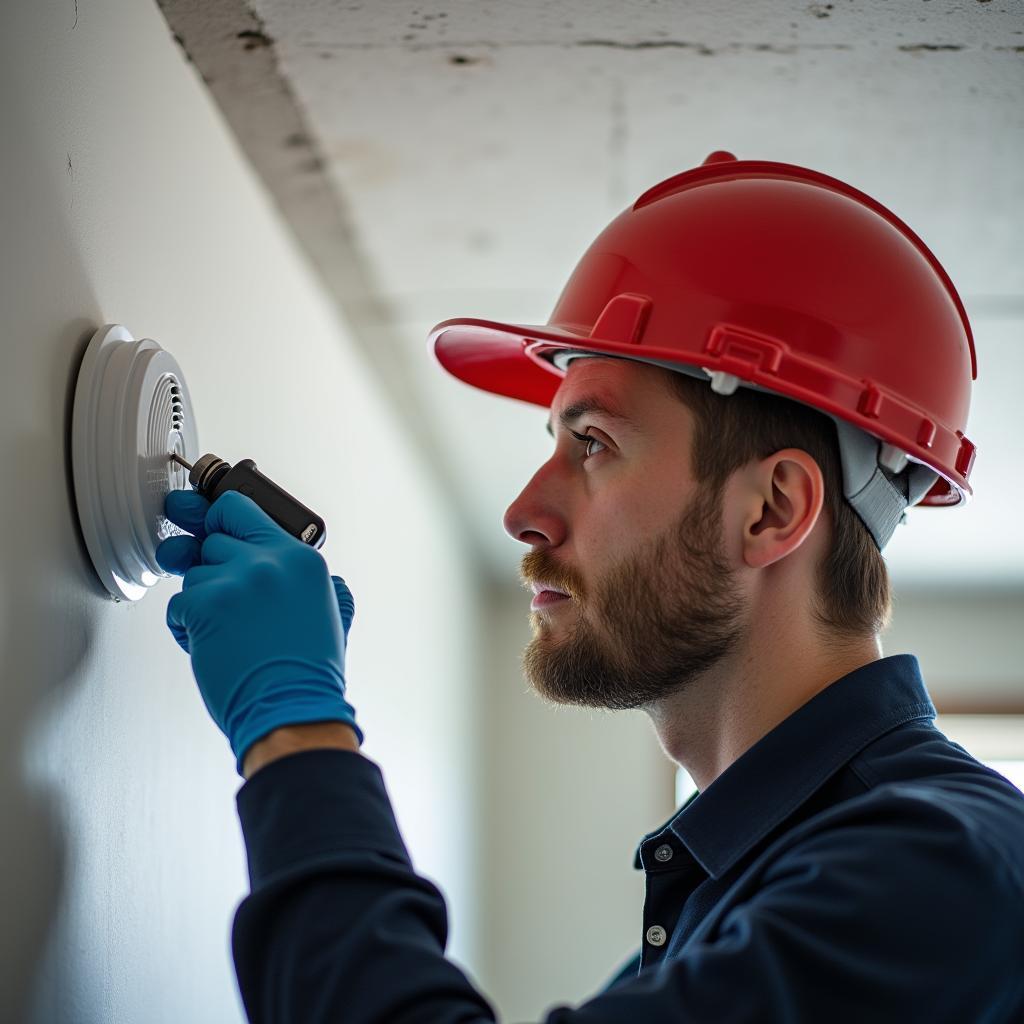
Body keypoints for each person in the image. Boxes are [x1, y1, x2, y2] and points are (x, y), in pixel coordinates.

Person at [156, 153, 1024, 1023]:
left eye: (595, 443)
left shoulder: (929, 871)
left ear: (771, 510)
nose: (523, 513)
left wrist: (295, 728)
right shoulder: (765, 883)